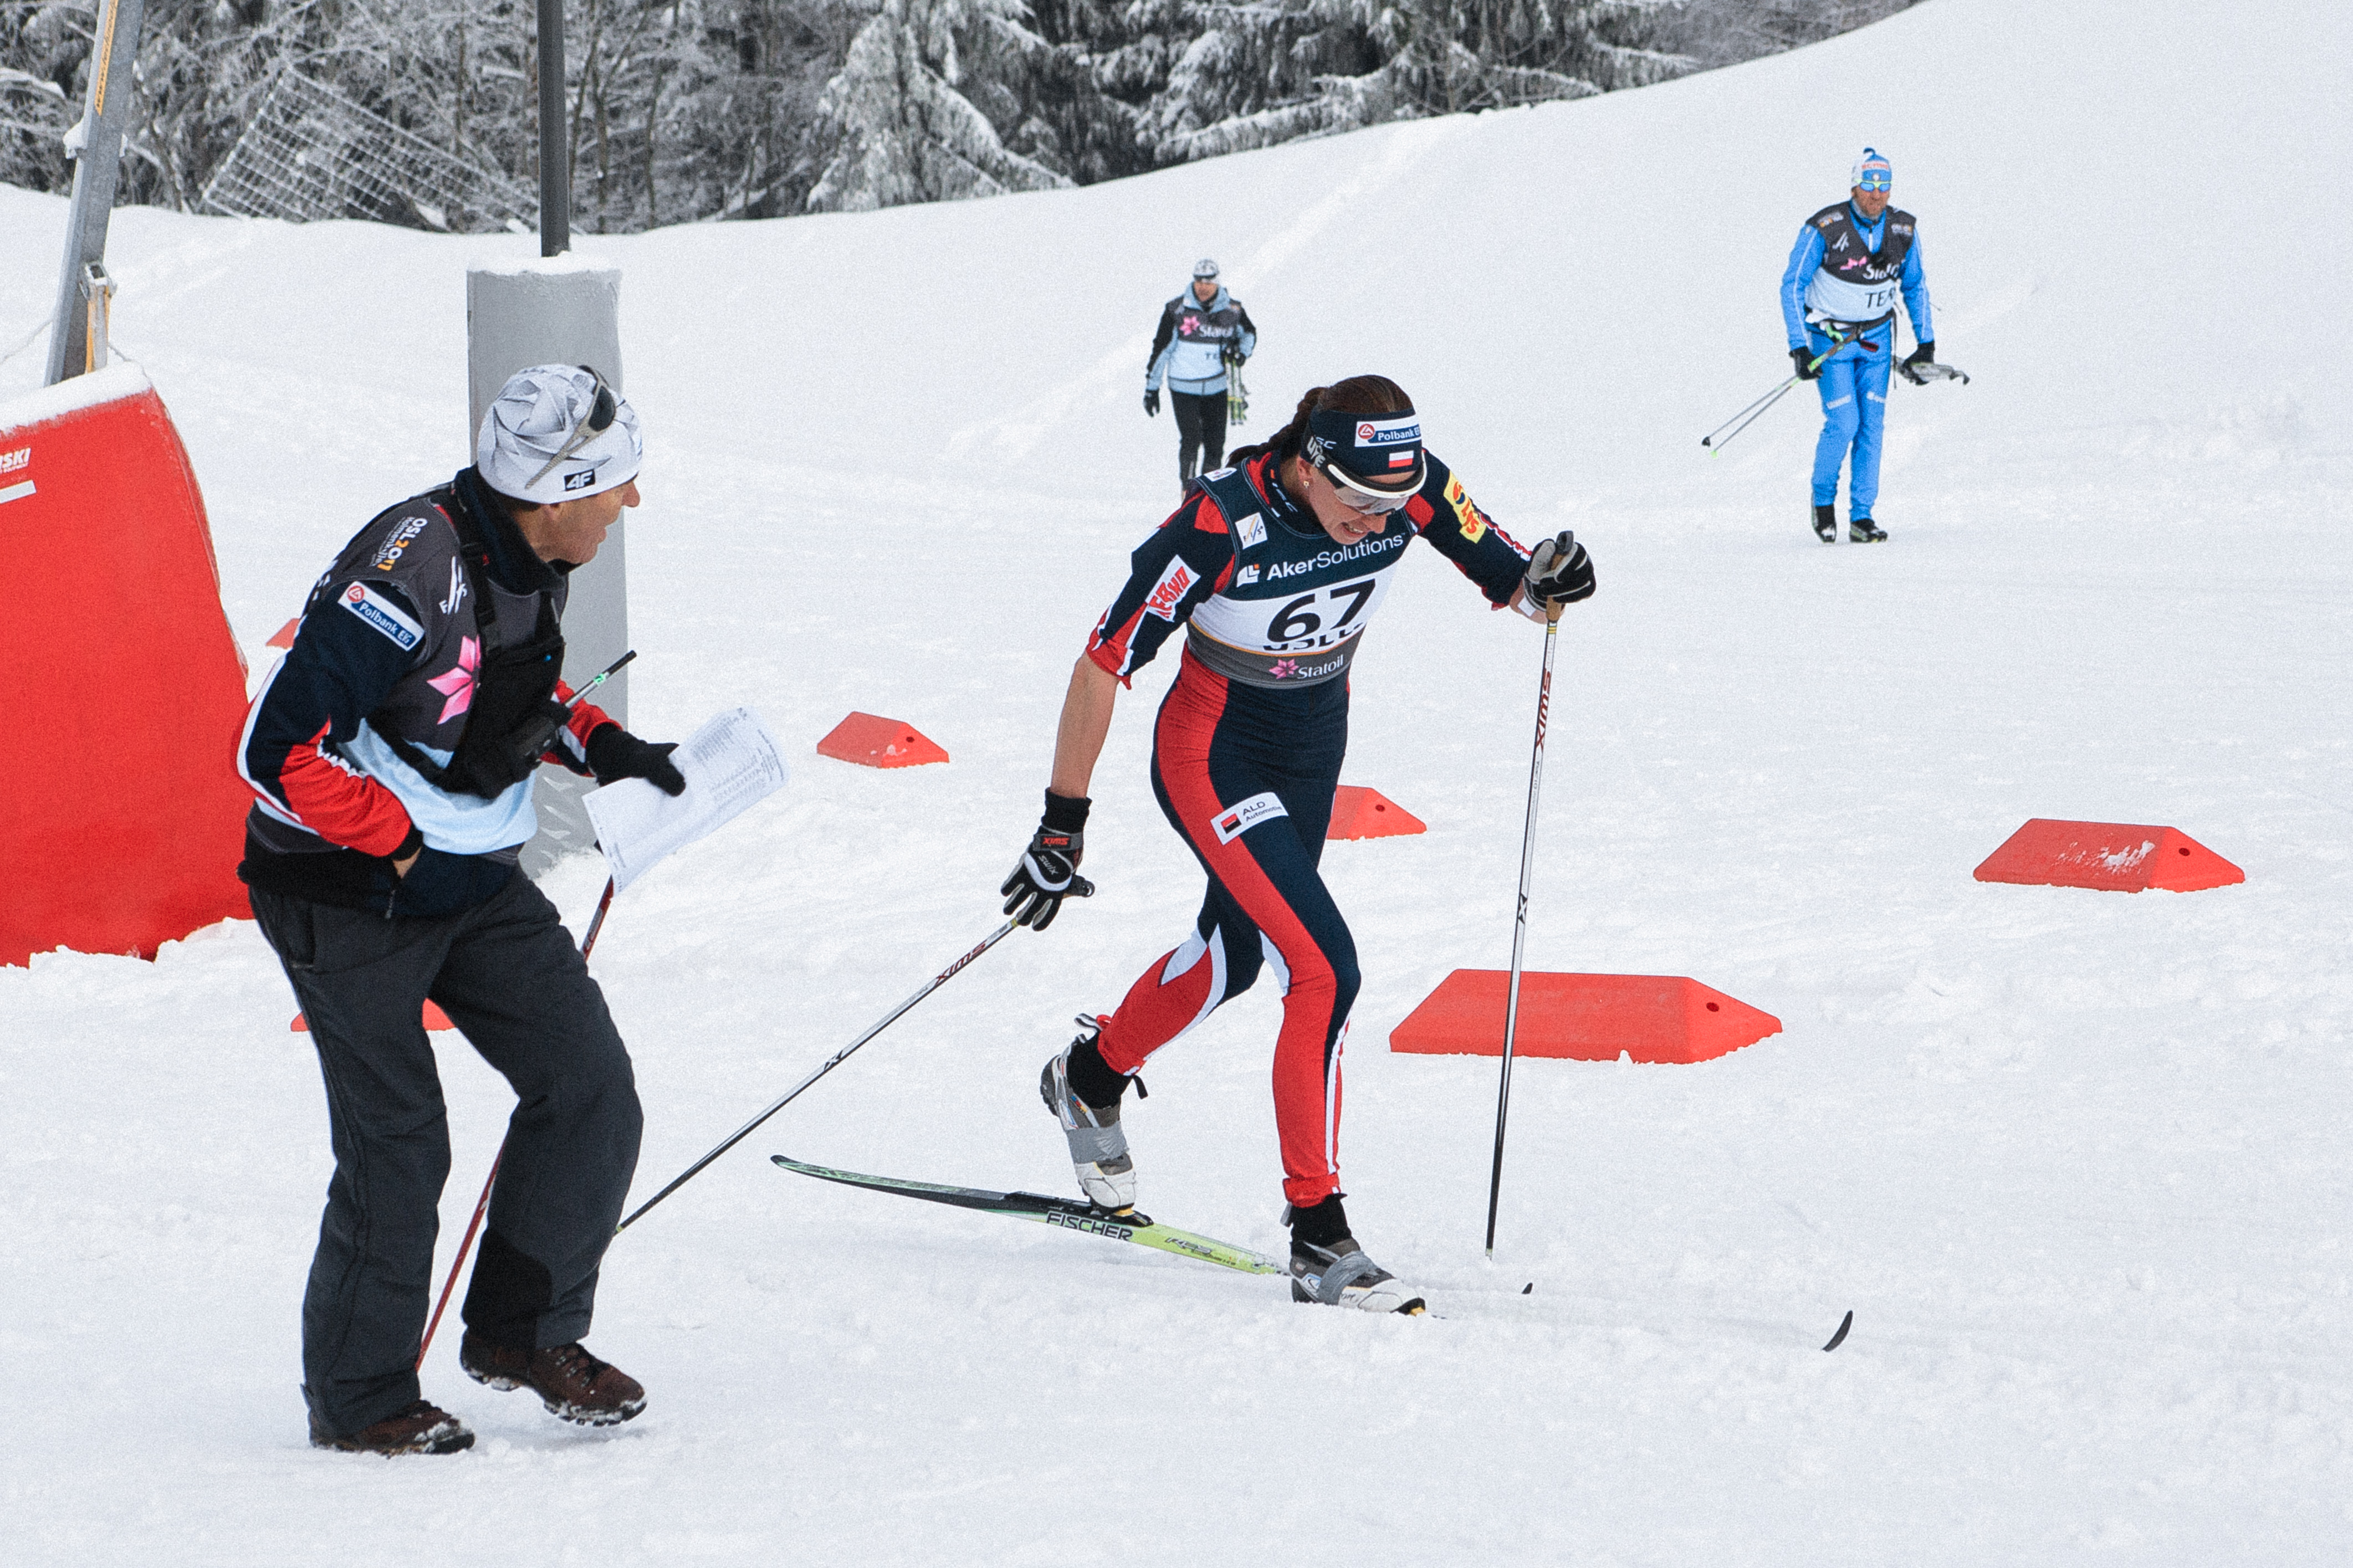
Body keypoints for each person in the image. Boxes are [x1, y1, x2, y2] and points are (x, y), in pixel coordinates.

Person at [999, 375, 1595, 1314]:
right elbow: (1104, 659)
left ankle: (1090, 1077)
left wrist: (1549, 580)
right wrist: (1060, 820)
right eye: (1358, 503)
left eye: (1392, 506)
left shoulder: (1409, 489)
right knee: (1324, 970)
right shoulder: (1219, 525)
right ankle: (1319, 1234)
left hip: (1313, 746)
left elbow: (1513, 576)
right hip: (1213, 751)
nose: (1376, 522)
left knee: (1233, 959)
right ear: (1307, 465)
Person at [238, 365, 686, 1456]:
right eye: (613, 484)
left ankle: (522, 1333)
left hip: (471, 877)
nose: (630, 503)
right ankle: (361, 1395)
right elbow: (274, 747)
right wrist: (396, 848)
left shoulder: (528, 550)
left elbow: (492, 688)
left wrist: (601, 743)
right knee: (401, 1145)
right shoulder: (407, 569)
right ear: (553, 491)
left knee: (588, 1090)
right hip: (344, 891)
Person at [1779, 147, 1937, 543]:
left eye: (1884, 185)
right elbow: (1792, 285)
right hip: (1830, 340)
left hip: (1876, 341)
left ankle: (1862, 516)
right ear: (1854, 186)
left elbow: (1915, 286)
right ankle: (1822, 502)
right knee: (1844, 422)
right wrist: (1799, 347)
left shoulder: (1902, 230)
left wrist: (1926, 343)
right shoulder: (1826, 227)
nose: (1876, 194)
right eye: (1868, 185)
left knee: (1872, 426)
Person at [1143, 258, 1257, 492]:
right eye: (1198, 281)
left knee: (1216, 444)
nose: (1203, 287)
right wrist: (1152, 388)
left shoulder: (1232, 311)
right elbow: (1161, 349)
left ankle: (1209, 493)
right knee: (1191, 440)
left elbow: (1250, 334)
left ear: (1217, 283)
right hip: (1184, 387)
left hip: (1217, 387)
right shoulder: (1177, 310)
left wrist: (1241, 354)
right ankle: (1188, 490)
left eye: (1208, 282)